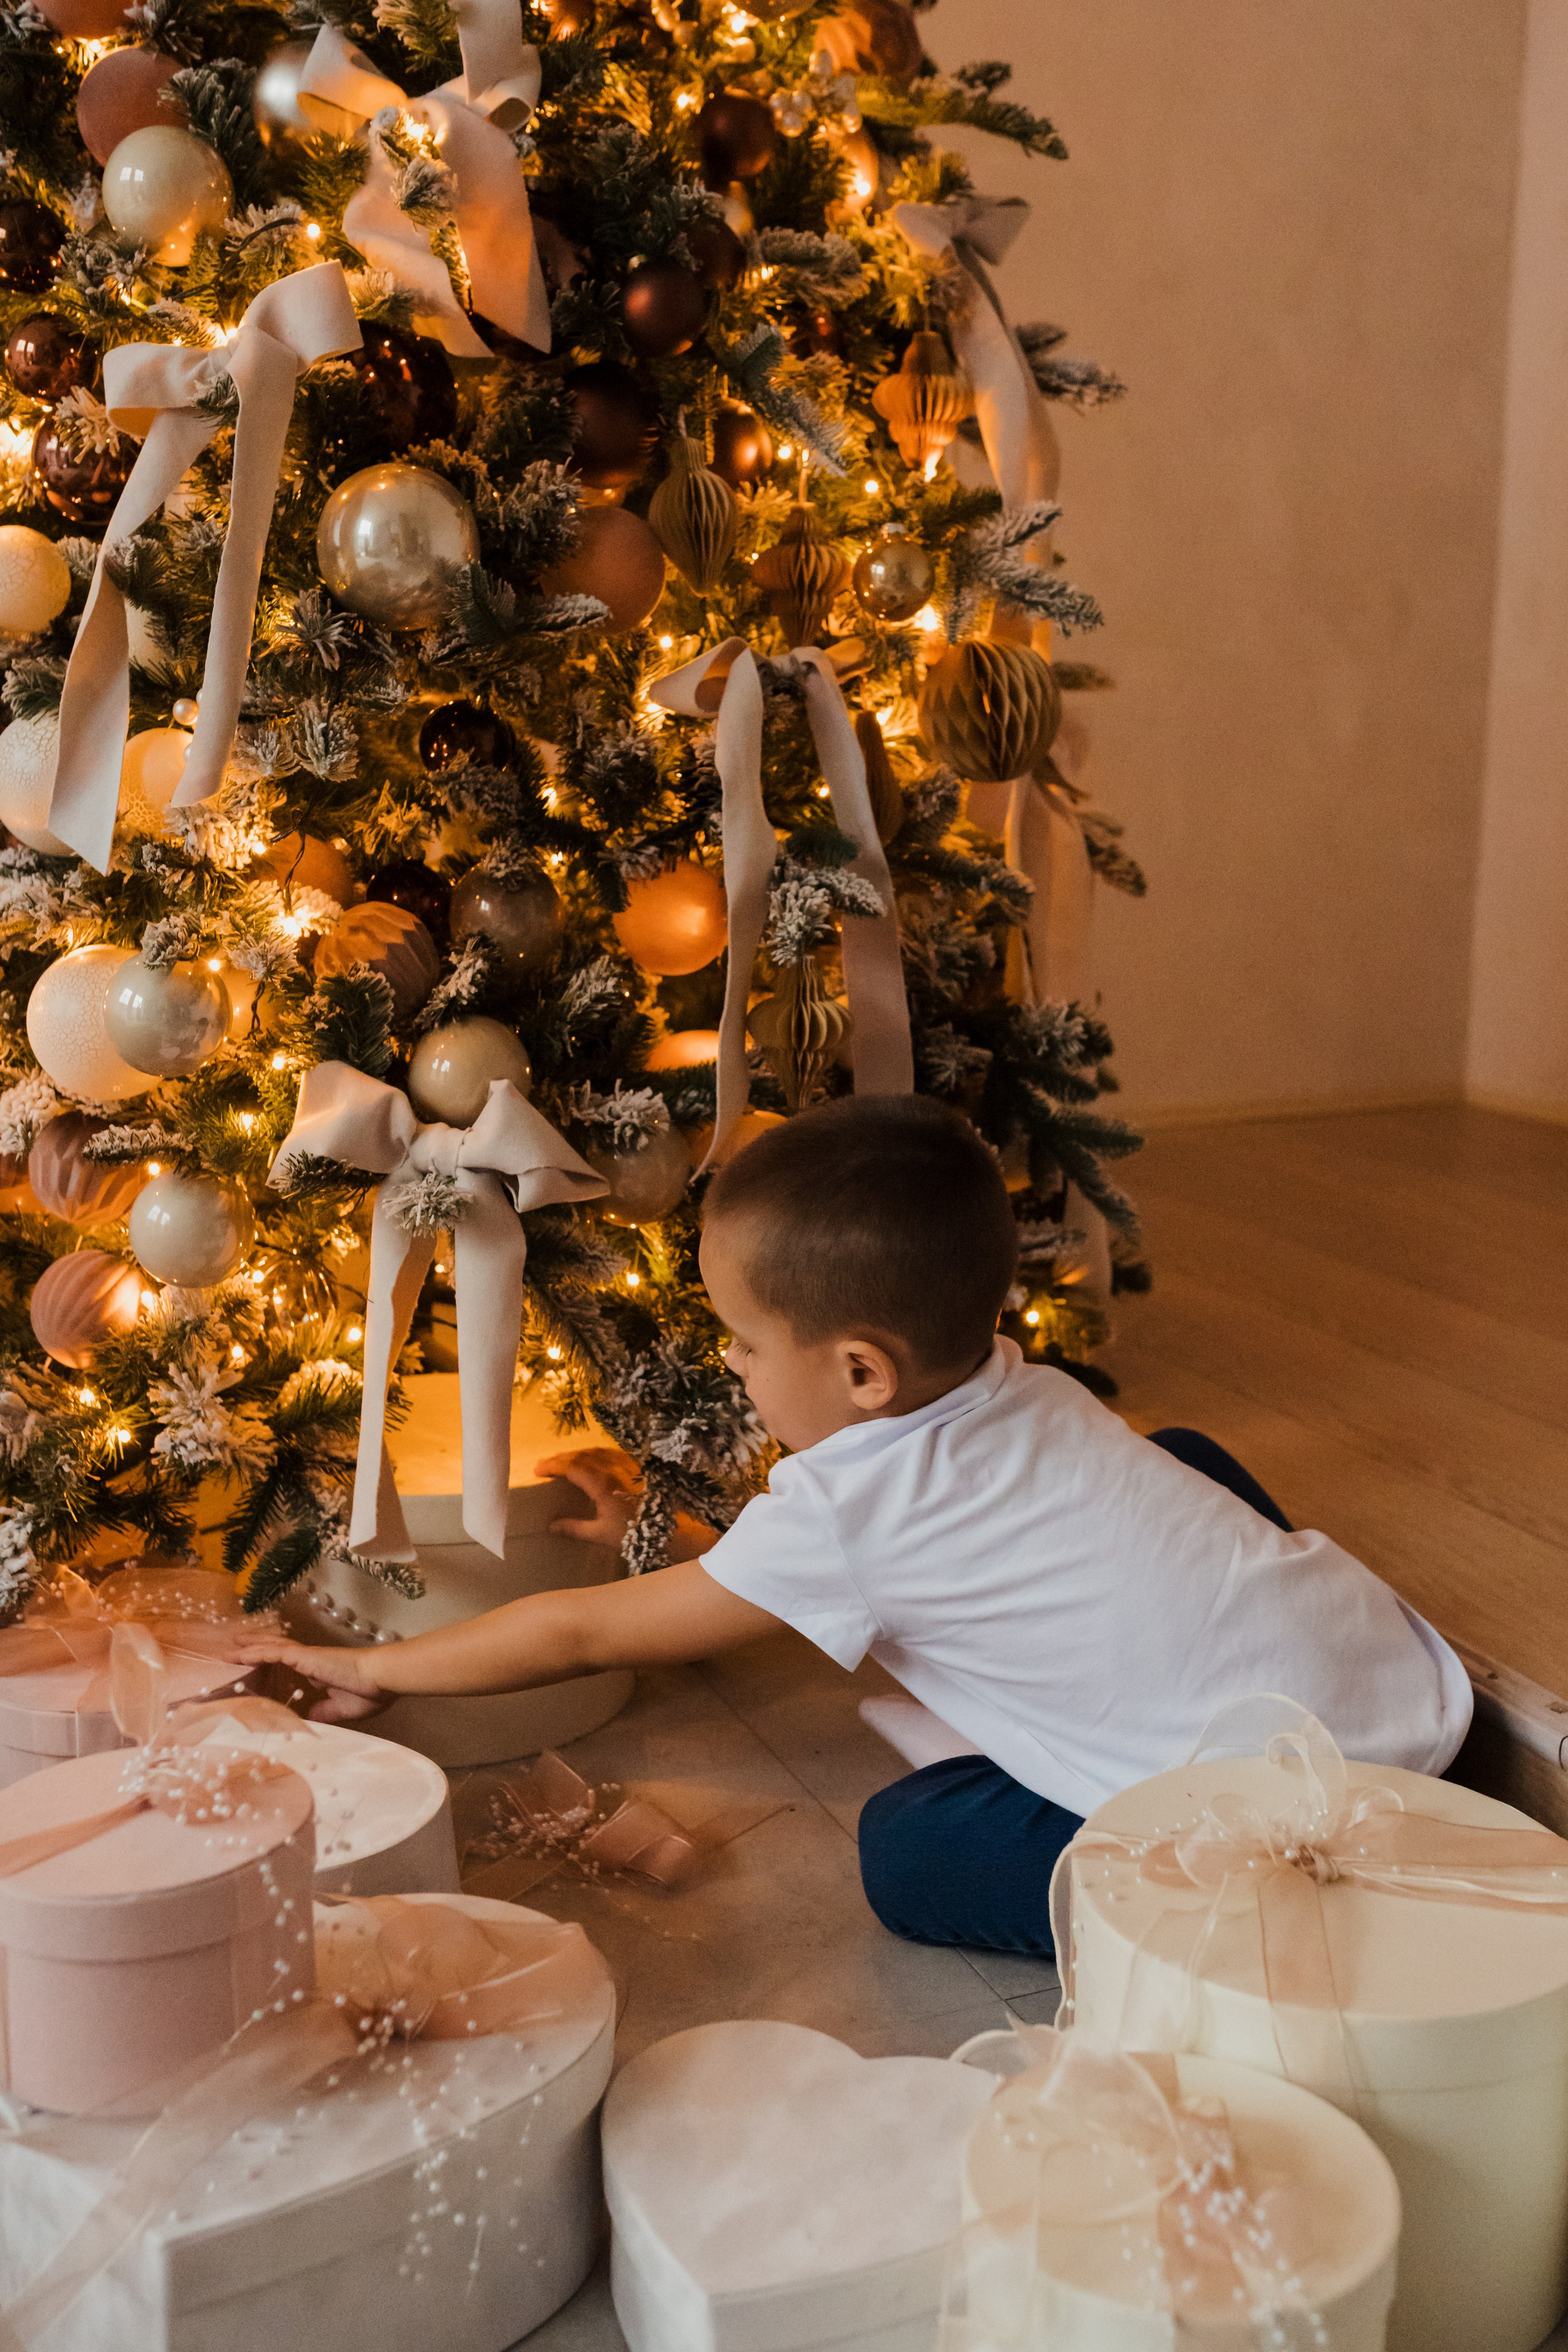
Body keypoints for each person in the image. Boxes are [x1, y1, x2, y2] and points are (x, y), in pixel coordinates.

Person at [233, 1096, 1472, 1956]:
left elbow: (575, 1635)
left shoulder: (839, 1511)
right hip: (1397, 1699)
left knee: (908, 1850)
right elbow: (872, 1550)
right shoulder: (1014, 1379)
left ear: (864, 1374)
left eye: (746, 1341)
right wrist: (691, 1552)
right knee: (1181, 1459)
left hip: (1288, 1824)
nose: (732, 1364)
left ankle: (1238, 1906)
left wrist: (363, 1665)